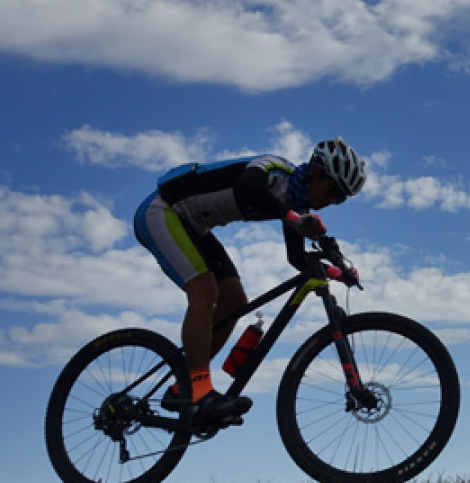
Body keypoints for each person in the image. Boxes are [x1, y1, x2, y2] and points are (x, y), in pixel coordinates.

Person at [133, 137, 367, 424]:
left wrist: (336, 272)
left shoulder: (295, 205)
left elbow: (296, 260)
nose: (332, 202)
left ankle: (182, 386)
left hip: (195, 226)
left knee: (234, 301)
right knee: (204, 290)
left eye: (340, 199)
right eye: (333, 191)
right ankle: (199, 388)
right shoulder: (275, 169)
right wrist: (294, 219)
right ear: (315, 171)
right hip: (162, 211)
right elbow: (248, 186)